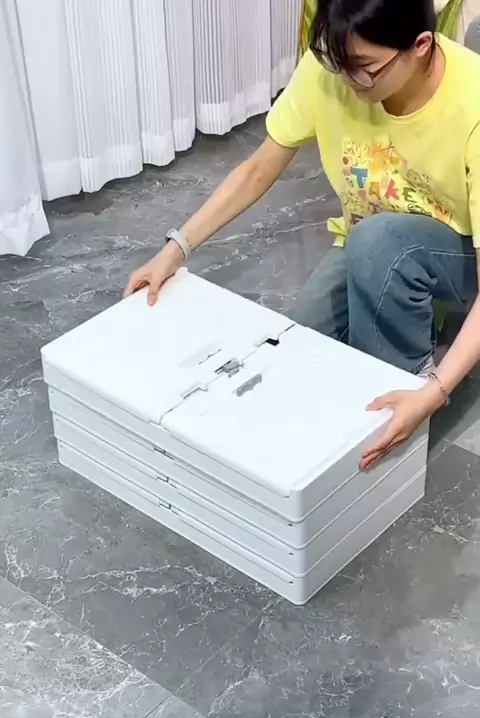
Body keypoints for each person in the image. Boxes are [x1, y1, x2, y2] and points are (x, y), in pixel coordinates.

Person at [125, 0, 480, 470]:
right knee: (295, 350)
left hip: (458, 252)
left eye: (365, 69)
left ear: (420, 46)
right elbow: (258, 168)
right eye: (338, 64)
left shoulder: (472, 103)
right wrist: (175, 249)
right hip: (369, 238)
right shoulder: (335, 66)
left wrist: (434, 392)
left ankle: (401, 407)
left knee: (380, 250)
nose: (348, 81)